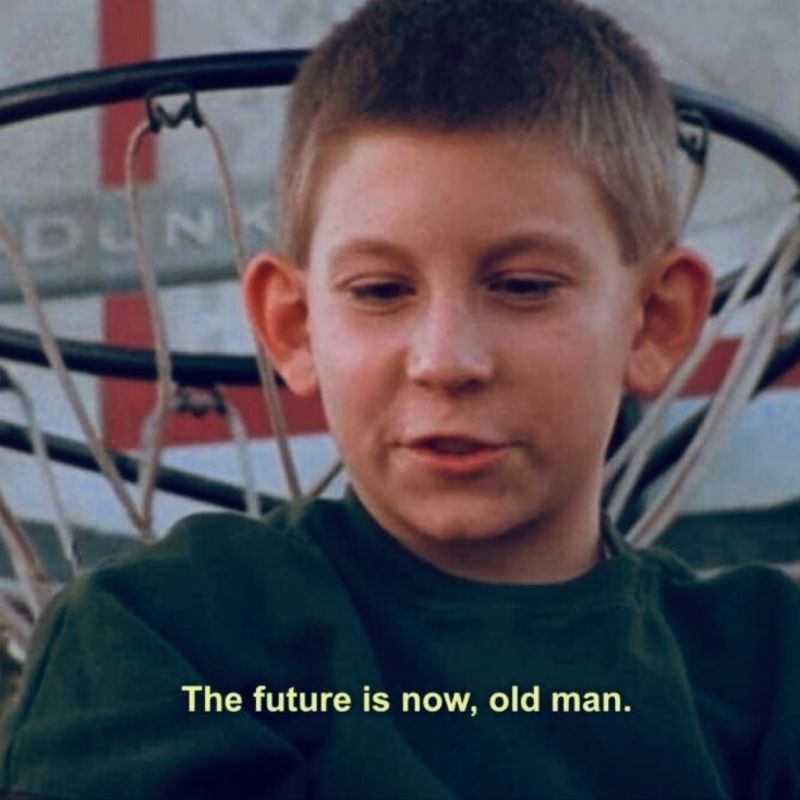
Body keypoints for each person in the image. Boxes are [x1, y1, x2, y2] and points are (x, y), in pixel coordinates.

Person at [1, 0, 798, 798]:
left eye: (524, 286)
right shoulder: (162, 634)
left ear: (654, 320)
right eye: (380, 290)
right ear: (293, 326)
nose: (445, 361)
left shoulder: (766, 665)